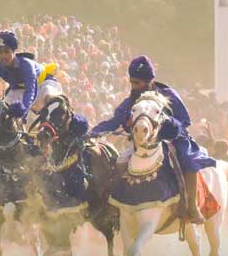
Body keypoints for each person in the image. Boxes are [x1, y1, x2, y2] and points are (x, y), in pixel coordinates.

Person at [89, 55, 215, 223]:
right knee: (120, 161)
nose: (133, 86)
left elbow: (184, 121)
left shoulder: (168, 94)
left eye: (137, 83)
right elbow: (114, 121)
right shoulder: (133, 99)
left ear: (149, 80)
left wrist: (167, 126)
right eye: (132, 82)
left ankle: (191, 206)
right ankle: (115, 203)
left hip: (173, 138)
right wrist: (93, 132)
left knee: (187, 160)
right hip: (142, 142)